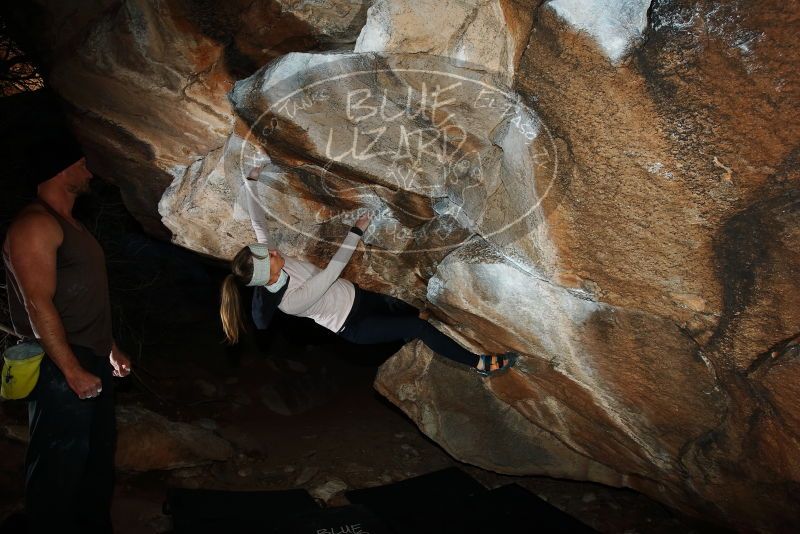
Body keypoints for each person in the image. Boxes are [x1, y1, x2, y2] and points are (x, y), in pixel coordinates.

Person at [219, 170, 517, 375]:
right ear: (264, 275)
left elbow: (259, 223)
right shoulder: (288, 302)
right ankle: (478, 364)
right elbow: (332, 271)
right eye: (268, 256)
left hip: (362, 298)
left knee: (412, 314)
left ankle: (408, 331)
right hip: (354, 326)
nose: (272, 251)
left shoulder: (272, 265)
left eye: (267, 250)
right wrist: (356, 231)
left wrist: (251, 181)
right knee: (418, 329)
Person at [2, 139, 131, 533]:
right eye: (81, 164)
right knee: (58, 466)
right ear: (59, 170)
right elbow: (38, 303)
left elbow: (82, 296)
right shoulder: (35, 224)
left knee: (95, 462)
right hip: (58, 364)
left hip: (88, 356)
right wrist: (71, 369)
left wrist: (110, 349)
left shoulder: (73, 226)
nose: (88, 171)